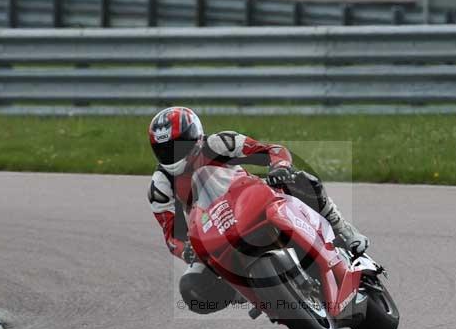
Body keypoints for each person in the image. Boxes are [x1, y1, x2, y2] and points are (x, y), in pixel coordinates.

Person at [147, 106, 369, 314]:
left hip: (250, 201)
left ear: (195, 137)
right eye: (164, 151)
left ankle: (344, 230)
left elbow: (272, 150)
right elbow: (171, 236)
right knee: (191, 288)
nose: (173, 154)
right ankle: (242, 290)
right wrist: (186, 250)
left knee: (301, 181)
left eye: (178, 146)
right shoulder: (161, 186)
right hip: (214, 230)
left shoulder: (219, 144)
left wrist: (280, 167)